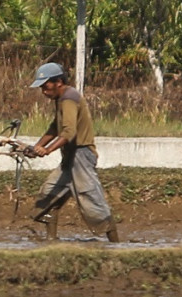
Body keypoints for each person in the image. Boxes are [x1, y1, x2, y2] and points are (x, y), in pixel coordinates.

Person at [28, 62, 118, 242]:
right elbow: (55, 128)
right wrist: (36, 147)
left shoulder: (69, 98)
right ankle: (51, 240)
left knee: (92, 200)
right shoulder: (60, 99)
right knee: (49, 196)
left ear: (58, 82)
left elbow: (69, 132)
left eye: (46, 87)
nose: (44, 92)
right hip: (69, 157)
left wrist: (47, 150)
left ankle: (116, 245)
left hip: (81, 156)